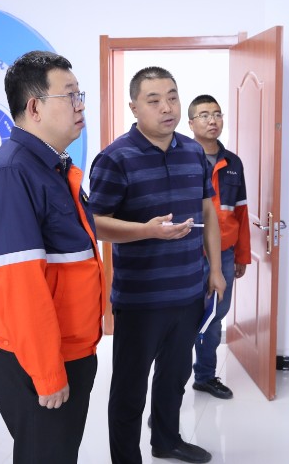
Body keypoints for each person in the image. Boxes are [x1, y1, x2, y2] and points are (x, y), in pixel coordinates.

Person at [0, 50, 105, 463]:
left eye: (80, 95)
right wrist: (47, 373)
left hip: (70, 348)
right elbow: (18, 285)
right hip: (40, 359)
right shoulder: (11, 173)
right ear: (34, 108)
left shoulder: (50, 167)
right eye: (70, 95)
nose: (80, 106)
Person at [88, 66, 226, 464]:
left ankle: (166, 440)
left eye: (172, 97)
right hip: (140, 299)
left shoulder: (194, 153)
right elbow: (95, 223)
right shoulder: (115, 158)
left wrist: (216, 270)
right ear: (134, 107)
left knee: (175, 376)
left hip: (188, 291)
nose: (167, 108)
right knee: (130, 389)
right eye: (154, 100)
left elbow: (208, 212)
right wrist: (146, 231)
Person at [187, 94, 250, 400]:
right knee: (182, 317)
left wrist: (242, 256)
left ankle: (205, 376)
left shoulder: (233, 163)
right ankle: (171, 384)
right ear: (191, 123)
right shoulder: (181, 157)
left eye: (217, 114)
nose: (212, 120)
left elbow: (241, 212)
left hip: (223, 253)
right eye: (204, 115)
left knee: (214, 316)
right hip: (187, 254)